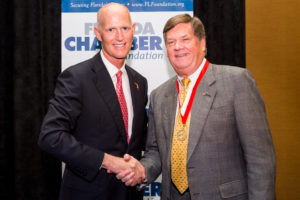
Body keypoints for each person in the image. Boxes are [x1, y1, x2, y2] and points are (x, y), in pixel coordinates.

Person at [119, 14, 276, 200]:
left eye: (185, 39)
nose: (178, 47)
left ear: (202, 43)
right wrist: (142, 170)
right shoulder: (159, 95)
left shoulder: (237, 81)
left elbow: (261, 159)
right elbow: (156, 152)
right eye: (171, 42)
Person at [38, 3, 147, 200]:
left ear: (134, 30)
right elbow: (50, 136)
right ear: (98, 34)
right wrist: (108, 161)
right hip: (88, 194)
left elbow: (139, 142)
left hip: (130, 194)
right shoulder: (76, 78)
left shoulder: (139, 82)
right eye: (111, 29)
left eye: (124, 28)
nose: (120, 37)